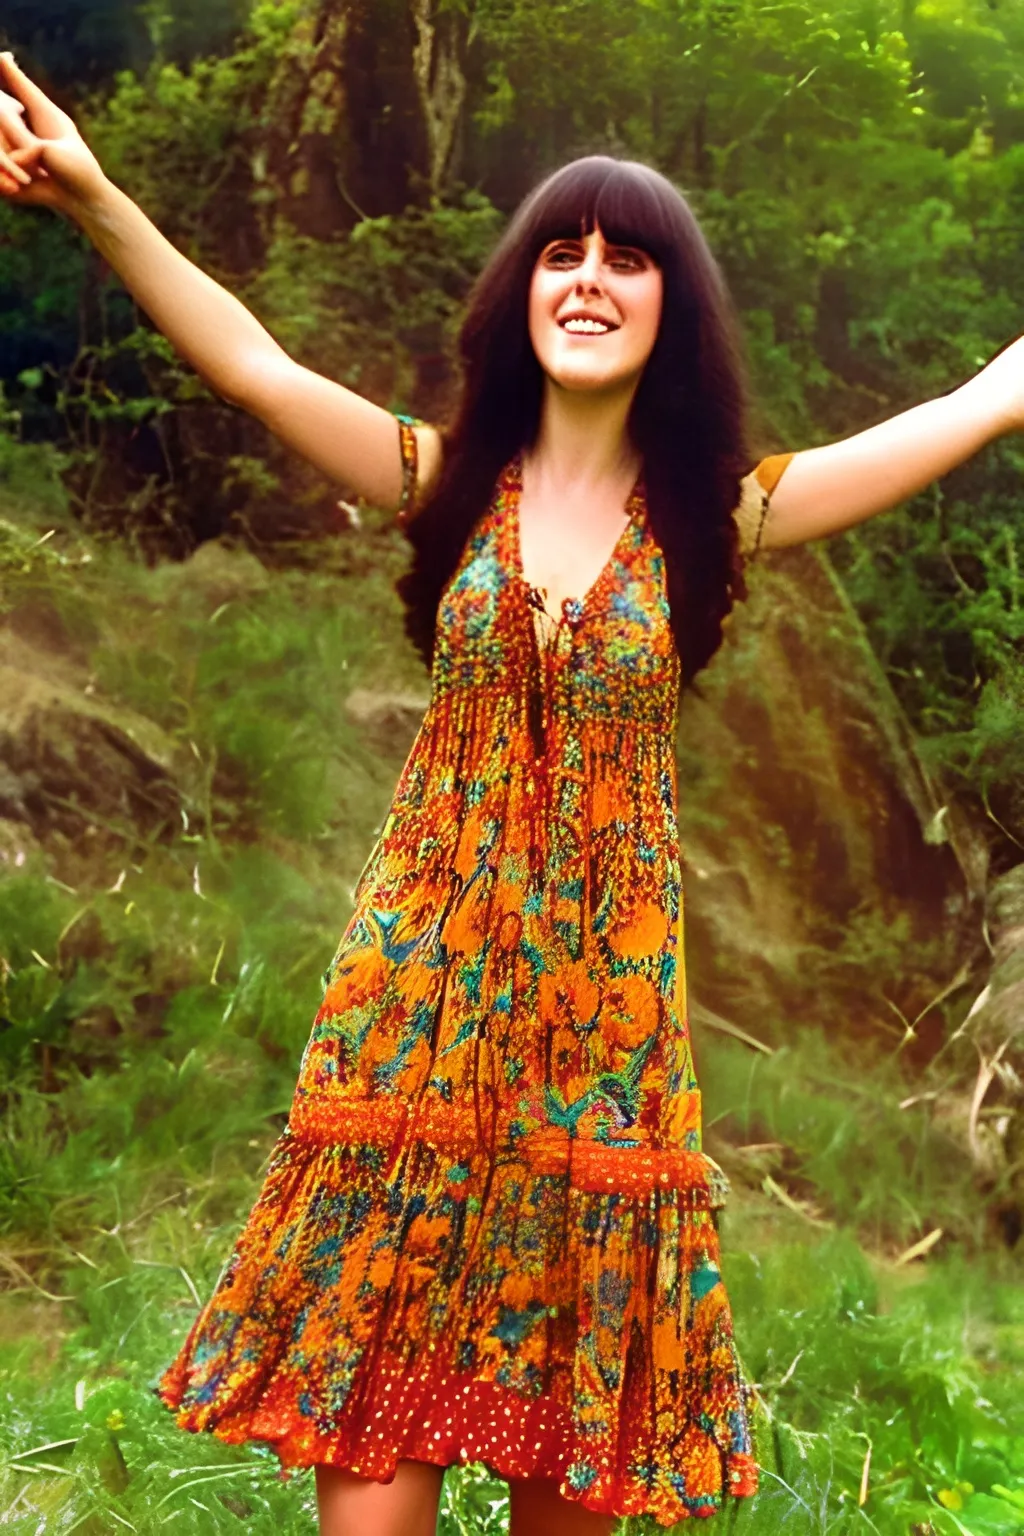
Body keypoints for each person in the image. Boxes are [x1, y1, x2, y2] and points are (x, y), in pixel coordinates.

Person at [0, 49, 1020, 1536]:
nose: (590, 276)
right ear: (520, 296)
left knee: (570, 1481)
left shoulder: (716, 519)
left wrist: (1003, 386)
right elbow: (255, 365)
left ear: (675, 310)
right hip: (412, 1021)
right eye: (561, 251)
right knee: (378, 1486)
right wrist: (95, 197)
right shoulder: (444, 482)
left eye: (629, 257)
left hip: (600, 1049)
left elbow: (948, 420)